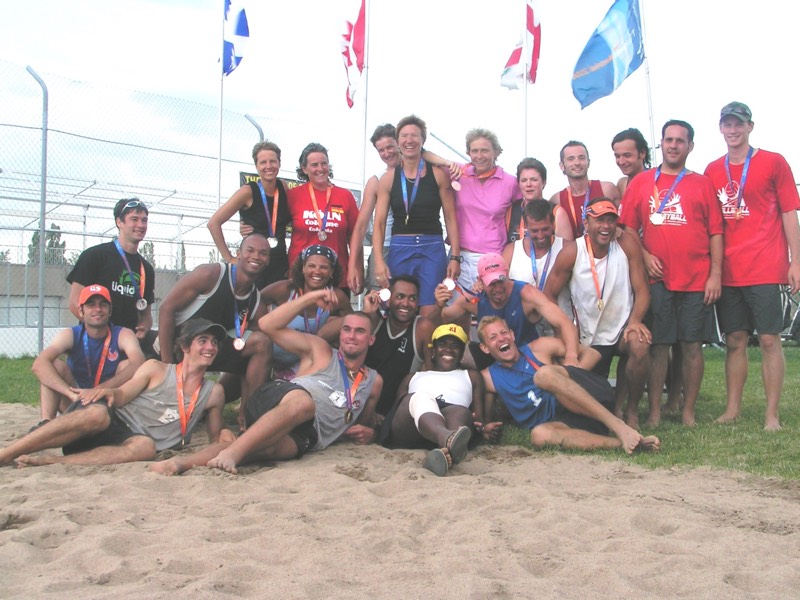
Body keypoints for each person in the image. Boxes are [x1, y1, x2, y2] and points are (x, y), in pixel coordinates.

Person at [149, 289, 382, 476]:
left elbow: (357, 423)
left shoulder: (373, 382)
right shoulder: (322, 351)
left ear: (371, 339)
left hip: (312, 433)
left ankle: (181, 463)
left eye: (359, 331)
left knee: (264, 449)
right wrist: (309, 298)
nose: (351, 336)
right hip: (278, 400)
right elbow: (268, 324)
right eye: (346, 329)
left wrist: (370, 433)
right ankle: (233, 454)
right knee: (304, 404)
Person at [0, 319, 232, 467]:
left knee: (146, 447)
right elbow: (122, 395)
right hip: (113, 422)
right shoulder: (157, 368)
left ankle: (54, 461)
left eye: (214, 342)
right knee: (98, 414)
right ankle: (8, 453)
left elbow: (214, 437)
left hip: (129, 442)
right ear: (185, 346)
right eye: (203, 341)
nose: (210, 347)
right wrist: (109, 392)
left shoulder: (214, 392)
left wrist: (223, 433)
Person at [619, 119, 723, 427]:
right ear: (661, 144)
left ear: (690, 146)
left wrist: (715, 275)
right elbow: (627, 228)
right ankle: (654, 412)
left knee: (691, 346)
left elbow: (716, 232)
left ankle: (687, 412)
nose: (673, 145)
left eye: (680, 140)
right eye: (668, 140)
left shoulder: (703, 183)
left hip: (696, 279)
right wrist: (645, 255)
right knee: (659, 346)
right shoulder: (641, 182)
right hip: (657, 279)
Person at [703, 101, 800, 430]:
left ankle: (772, 414)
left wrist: (796, 261)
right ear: (720, 128)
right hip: (729, 270)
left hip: (766, 266)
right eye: (727, 124)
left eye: (739, 124)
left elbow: (789, 213)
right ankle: (732, 409)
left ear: (750, 127)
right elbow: (710, 223)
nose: (733, 130)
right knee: (735, 340)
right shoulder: (712, 170)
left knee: (770, 340)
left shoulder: (774, 162)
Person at [478, 316, 660, 454]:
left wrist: (566, 377)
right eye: (493, 337)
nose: (501, 339)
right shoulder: (488, 377)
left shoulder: (540, 347)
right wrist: (483, 427)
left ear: (512, 335)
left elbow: (593, 354)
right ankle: (625, 444)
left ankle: (619, 426)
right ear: (485, 348)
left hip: (591, 395)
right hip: (567, 421)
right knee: (539, 435)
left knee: (544, 375)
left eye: (503, 333)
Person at [544, 199, 652, 428]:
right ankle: (609, 410)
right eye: (599, 220)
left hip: (622, 329)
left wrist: (635, 321)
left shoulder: (626, 244)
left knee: (640, 344)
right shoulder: (572, 252)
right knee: (587, 402)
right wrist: (563, 331)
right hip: (587, 335)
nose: (606, 226)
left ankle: (630, 410)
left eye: (611, 220)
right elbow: (549, 295)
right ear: (586, 223)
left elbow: (642, 290)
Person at [157, 234, 273, 422]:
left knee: (262, 343)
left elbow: (258, 351)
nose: (256, 256)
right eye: (250, 250)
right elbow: (166, 308)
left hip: (211, 351)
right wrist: (167, 366)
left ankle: (248, 416)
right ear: (238, 254)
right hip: (179, 348)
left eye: (263, 253)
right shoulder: (210, 274)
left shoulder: (256, 301)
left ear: (268, 261)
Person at [348, 124, 458, 294]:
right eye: (381, 150)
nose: (387, 153)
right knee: (383, 301)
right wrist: (353, 266)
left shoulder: (422, 167)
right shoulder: (378, 179)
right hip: (385, 247)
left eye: (390, 147)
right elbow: (361, 226)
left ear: (398, 144)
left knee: (424, 298)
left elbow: (424, 152)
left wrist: (446, 162)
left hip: (420, 245)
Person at [381, 324, 501, 476]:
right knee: (419, 397)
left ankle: (442, 455)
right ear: (433, 351)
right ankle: (446, 438)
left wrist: (483, 429)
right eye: (442, 345)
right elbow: (397, 411)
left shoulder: (471, 376)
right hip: (412, 427)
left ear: (462, 353)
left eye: (455, 346)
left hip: (451, 420)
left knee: (461, 411)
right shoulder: (413, 377)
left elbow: (479, 419)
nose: (448, 350)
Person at [372, 115, 461, 316]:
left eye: (414, 135)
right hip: (400, 247)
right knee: (400, 308)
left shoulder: (438, 174)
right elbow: (379, 224)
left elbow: (450, 218)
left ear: (423, 140)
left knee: (431, 308)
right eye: (404, 136)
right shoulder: (388, 179)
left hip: (432, 247)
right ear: (398, 141)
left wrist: (455, 257)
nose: (409, 140)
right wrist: (378, 261)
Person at [433, 253, 580, 370]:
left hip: (528, 357)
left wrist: (571, 356)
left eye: (501, 281)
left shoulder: (526, 294)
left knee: (561, 351)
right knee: (462, 356)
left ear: (507, 274)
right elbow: (443, 320)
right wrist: (439, 305)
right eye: (492, 283)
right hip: (494, 360)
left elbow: (564, 323)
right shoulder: (472, 299)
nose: (498, 289)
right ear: (481, 281)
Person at [31, 284, 145, 428]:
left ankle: (120, 422)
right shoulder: (70, 334)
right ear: (81, 310)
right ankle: (45, 424)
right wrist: (71, 394)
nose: (98, 309)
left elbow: (139, 362)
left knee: (127, 365)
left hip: (109, 399)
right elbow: (39, 364)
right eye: (91, 304)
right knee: (53, 365)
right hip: (75, 399)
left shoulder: (123, 333)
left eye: (103, 304)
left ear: (110, 310)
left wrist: (97, 392)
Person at [67, 198, 155, 347]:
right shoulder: (94, 256)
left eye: (144, 220)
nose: (141, 225)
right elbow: (74, 303)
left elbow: (146, 314)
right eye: (134, 219)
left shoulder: (146, 268)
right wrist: (103, 332)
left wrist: (144, 327)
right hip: (96, 340)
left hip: (129, 341)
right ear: (119, 222)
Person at [261, 244, 352, 380]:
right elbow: (254, 302)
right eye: (311, 266)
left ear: (332, 271)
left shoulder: (336, 297)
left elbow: (353, 322)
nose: (317, 271)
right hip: (269, 357)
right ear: (303, 268)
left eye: (324, 267)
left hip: (304, 362)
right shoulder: (284, 289)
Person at [208, 141, 291, 288]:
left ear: (279, 163)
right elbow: (213, 223)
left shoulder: (283, 187)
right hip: (254, 264)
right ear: (256, 166)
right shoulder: (247, 192)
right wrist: (229, 258)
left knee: (278, 303)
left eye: (273, 161)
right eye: (263, 162)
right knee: (253, 302)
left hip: (279, 264)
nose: (268, 166)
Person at [452, 128, 520, 291]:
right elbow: (427, 156)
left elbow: (524, 210)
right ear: (468, 153)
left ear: (496, 152)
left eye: (485, 150)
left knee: (488, 305)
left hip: (493, 257)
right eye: (474, 151)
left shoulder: (511, 182)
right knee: (457, 306)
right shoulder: (459, 173)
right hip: (460, 257)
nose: (479, 156)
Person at [287, 143, 359, 290]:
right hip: (301, 277)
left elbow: (355, 236)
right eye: (314, 165)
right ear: (304, 168)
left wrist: (357, 269)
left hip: (336, 276)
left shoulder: (345, 196)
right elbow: (275, 224)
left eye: (324, 163)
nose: (320, 169)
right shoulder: (293, 195)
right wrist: (248, 226)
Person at [363, 275, 436, 417]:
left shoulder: (422, 327)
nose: (406, 303)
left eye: (412, 298)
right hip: (364, 408)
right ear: (388, 299)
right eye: (400, 296)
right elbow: (327, 335)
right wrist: (365, 314)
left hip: (399, 414)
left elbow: (430, 373)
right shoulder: (373, 321)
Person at [549, 141, 620, 240]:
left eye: (581, 158)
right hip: (575, 249)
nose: (577, 163)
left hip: (608, 248)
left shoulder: (607, 189)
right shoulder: (557, 199)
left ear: (588, 162)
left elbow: (623, 225)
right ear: (562, 166)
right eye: (571, 159)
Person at [506, 157, 548, 244]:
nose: (528, 184)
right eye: (524, 180)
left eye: (534, 180)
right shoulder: (510, 211)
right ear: (519, 184)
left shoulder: (555, 212)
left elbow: (565, 248)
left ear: (544, 182)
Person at [612, 128, 652, 196]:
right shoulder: (622, 184)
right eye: (617, 156)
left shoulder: (656, 180)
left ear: (642, 153)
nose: (621, 162)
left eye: (627, 155)